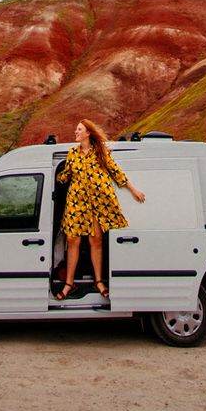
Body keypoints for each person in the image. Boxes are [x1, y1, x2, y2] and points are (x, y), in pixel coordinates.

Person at [55, 118, 145, 300]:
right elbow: (65, 177)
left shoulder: (101, 152)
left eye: (79, 129)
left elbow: (115, 171)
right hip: (76, 203)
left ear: (88, 133)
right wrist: (62, 174)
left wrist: (134, 190)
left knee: (95, 241)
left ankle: (99, 281)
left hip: (97, 204)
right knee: (73, 241)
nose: (76, 132)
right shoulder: (72, 153)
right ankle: (69, 284)